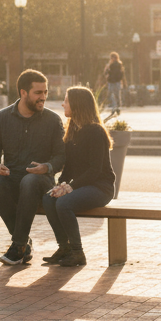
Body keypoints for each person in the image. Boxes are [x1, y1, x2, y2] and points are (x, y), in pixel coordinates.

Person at [0, 70, 66, 266]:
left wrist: (47, 167)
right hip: (11, 178)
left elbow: (61, 156)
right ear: (23, 93)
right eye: (38, 93)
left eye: (45, 92)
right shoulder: (2, 117)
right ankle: (23, 243)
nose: (43, 97)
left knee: (30, 181)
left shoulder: (53, 120)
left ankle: (18, 246)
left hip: (41, 181)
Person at [42, 86, 116, 267]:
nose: (63, 104)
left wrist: (70, 187)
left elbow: (95, 170)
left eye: (66, 101)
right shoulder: (72, 130)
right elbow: (69, 168)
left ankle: (77, 253)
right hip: (82, 186)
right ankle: (64, 247)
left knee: (64, 203)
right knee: (49, 198)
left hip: (100, 188)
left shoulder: (96, 131)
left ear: (77, 104)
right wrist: (60, 185)